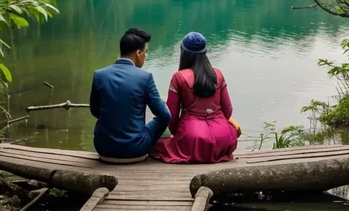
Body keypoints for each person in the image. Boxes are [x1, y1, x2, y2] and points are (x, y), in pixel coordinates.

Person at [150, 32, 238, 164]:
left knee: (156, 145)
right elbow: (228, 111)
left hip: (193, 138)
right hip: (222, 138)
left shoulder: (179, 77)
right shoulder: (218, 74)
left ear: (184, 52)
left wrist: (176, 134)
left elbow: (172, 116)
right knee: (232, 129)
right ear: (205, 52)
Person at [90, 27, 171, 161]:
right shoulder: (145, 77)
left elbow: (95, 110)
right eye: (146, 51)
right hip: (135, 149)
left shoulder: (99, 75)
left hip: (103, 148)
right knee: (163, 117)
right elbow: (165, 115)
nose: (146, 55)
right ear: (138, 53)